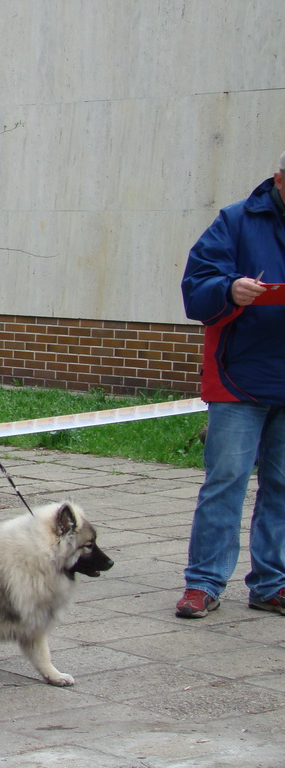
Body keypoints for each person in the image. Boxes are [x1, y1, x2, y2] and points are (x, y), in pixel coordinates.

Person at [176, 150, 285, 619]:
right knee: (226, 482)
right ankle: (203, 583)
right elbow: (195, 290)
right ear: (280, 179)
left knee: (282, 486)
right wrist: (229, 290)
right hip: (240, 378)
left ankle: (271, 583)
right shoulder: (236, 221)